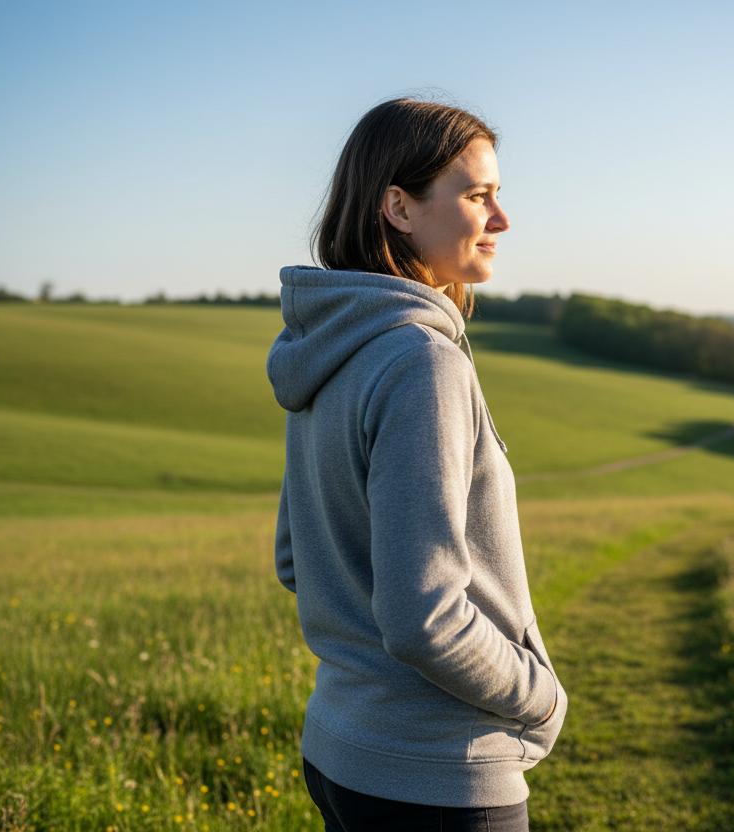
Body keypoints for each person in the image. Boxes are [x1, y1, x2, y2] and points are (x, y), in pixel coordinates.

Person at [267, 98, 567, 832]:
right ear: (399, 207)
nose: (501, 219)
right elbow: (423, 616)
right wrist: (539, 697)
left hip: (340, 752)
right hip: (437, 775)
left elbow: (294, 558)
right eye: (477, 196)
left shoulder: (332, 345)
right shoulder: (421, 363)